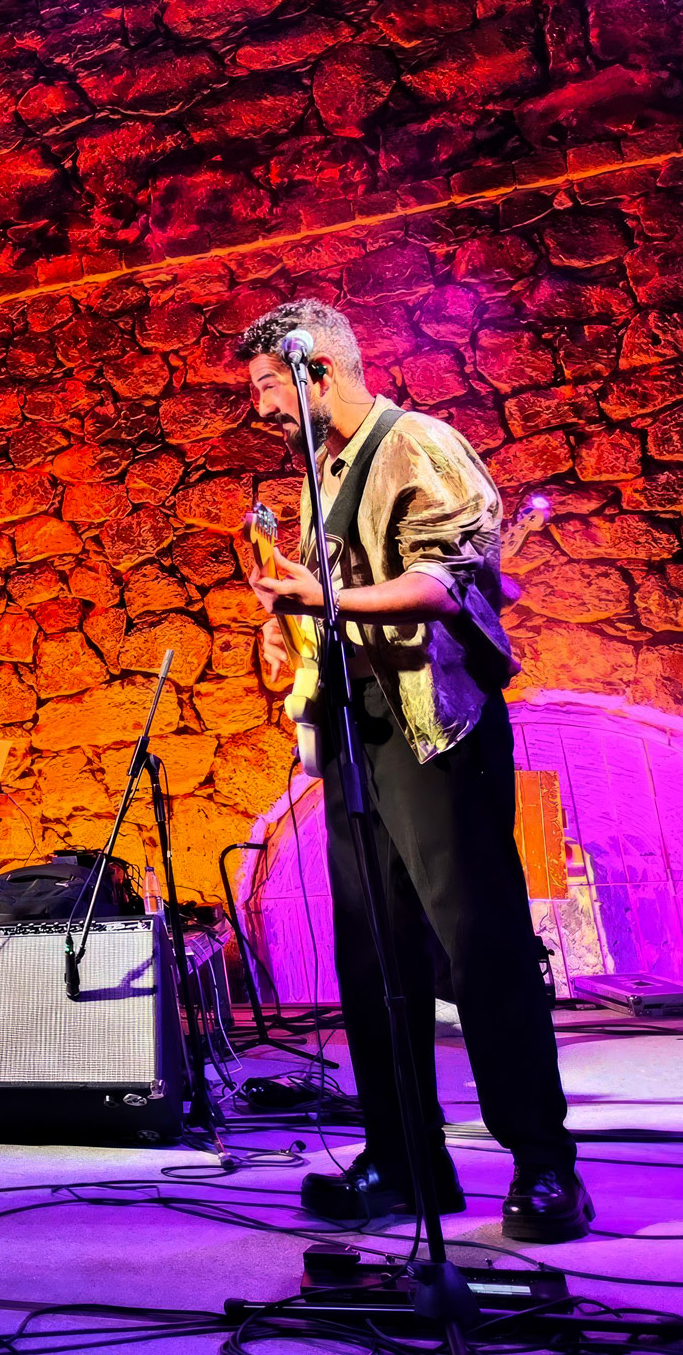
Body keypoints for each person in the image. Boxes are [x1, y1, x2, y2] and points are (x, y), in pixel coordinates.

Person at [239, 299, 589, 1242]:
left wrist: (324, 597)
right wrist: (291, 619)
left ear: (317, 371)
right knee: (373, 956)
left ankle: (545, 1164)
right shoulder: (322, 474)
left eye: (270, 386)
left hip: (438, 730)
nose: (262, 410)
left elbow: (447, 581)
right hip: (358, 735)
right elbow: (329, 599)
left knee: (483, 946)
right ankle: (404, 1158)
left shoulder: (419, 444)